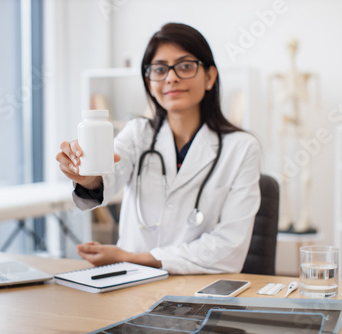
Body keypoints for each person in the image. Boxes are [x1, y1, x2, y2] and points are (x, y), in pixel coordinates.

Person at [56, 23, 261, 274]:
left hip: (198, 288)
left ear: (209, 77)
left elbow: (228, 250)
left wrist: (133, 257)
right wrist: (89, 178)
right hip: (128, 283)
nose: (171, 78)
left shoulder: (241, 148)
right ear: (149, 81)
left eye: (185, 66)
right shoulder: (137, 133)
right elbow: (108, 174)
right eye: (160, 69)